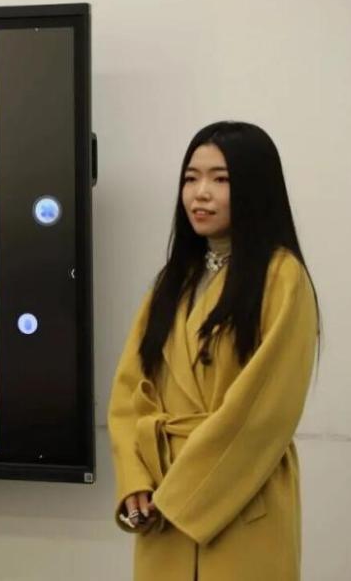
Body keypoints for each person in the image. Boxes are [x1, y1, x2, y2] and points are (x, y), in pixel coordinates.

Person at [107, 121, 320, 580]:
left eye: (220, 179)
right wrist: (136, 482)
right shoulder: (173, 282)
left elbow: (264, 411)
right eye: (191, 178)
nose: (200, 193)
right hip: (160, 499)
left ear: (255, 187)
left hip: (240, 498)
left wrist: (179, 495)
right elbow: (128, 392)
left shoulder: (282, 278)